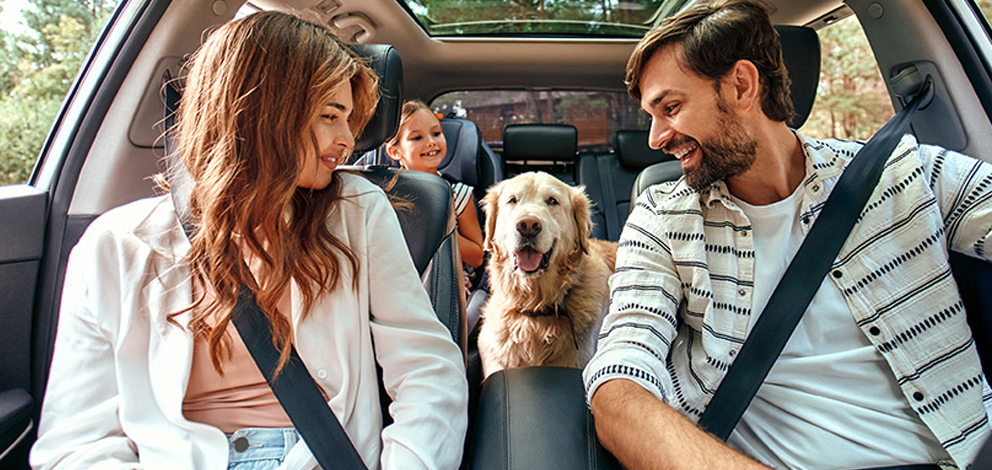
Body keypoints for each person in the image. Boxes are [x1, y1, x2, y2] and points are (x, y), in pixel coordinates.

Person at [31, 11, 468, 470]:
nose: (348, 140)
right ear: (261, 111)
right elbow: (76, 445)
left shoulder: (357, 210)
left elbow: (426, 368)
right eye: (330, 116)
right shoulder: (116, 246)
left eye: (349, 120)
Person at [583, 1, 992, 469]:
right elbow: (619, 389)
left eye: (670, 107)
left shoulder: (906, 171)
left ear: (741, 85)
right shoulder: (660, 219)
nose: (655, 137)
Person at [385, 100, 486, 290]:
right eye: (417, 138)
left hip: (446, 284)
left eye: (436, 133)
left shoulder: (459, 194)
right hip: (396, 281)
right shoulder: (385, 194)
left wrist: (436, 229)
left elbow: (477, 257)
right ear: (395, 151)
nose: (431, 142)